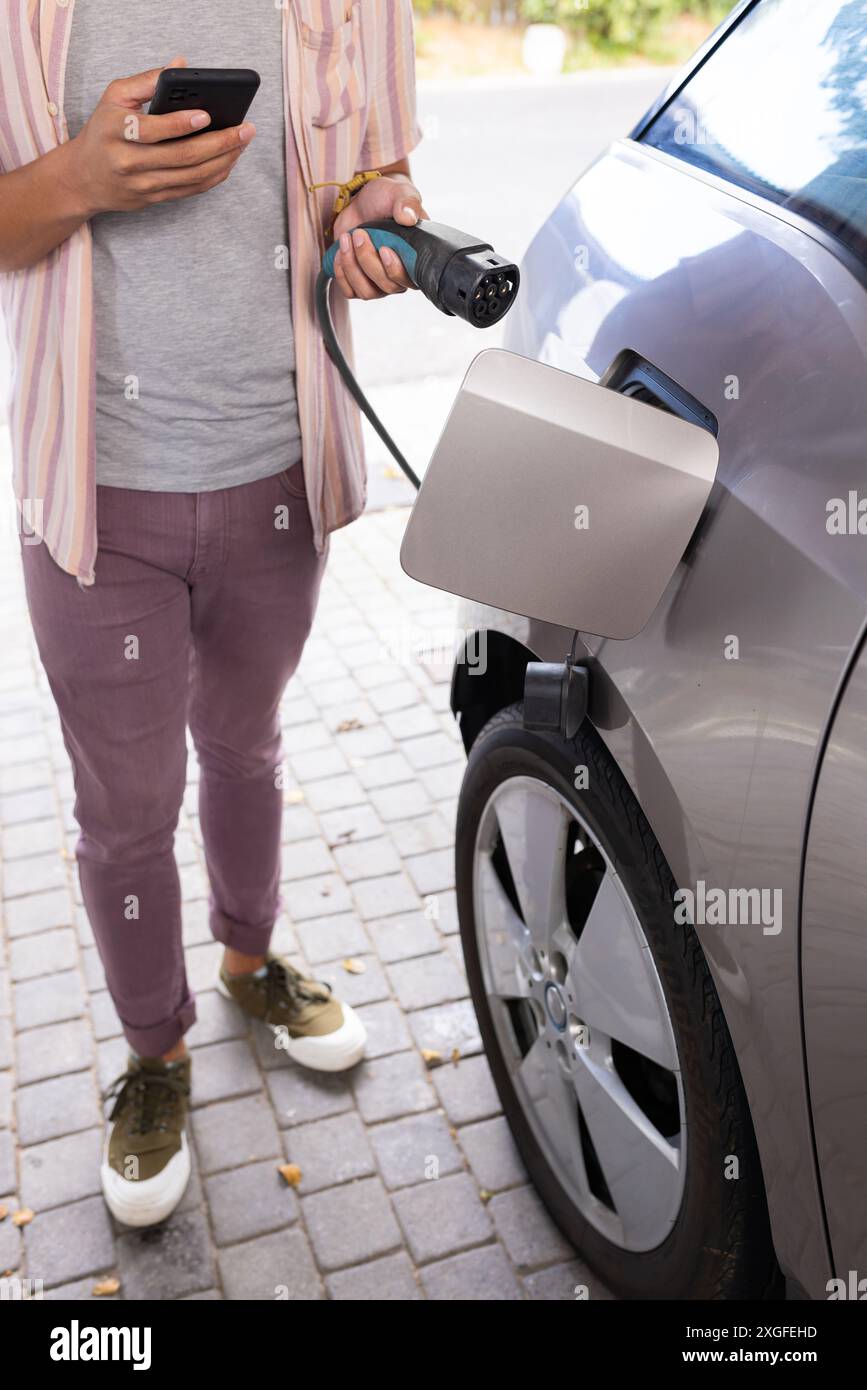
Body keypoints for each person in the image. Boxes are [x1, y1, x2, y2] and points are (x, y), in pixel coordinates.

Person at [0, 1, 426, 1228]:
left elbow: (378, 179)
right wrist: (81, 174)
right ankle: (155, 1054)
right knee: (125, 813)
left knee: (246, 746)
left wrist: (374, 228)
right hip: (95, 492)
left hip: (277, 474)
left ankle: (249, 962)